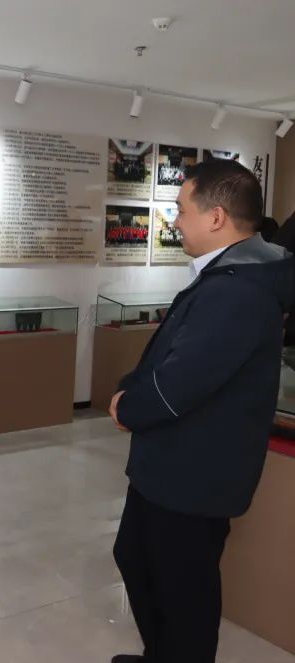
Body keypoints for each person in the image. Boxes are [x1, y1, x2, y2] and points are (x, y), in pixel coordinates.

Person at [109, 159, 293, 663]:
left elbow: (179, 384)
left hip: (195, 474)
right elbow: (173, 356)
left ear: (215, 217)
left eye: (181, 209)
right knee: (137, 558)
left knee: (183, 589)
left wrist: (128, 406)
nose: (175, 220)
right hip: (174, 464)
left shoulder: (239, 289)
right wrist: (131, 390)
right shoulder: (228, 276)